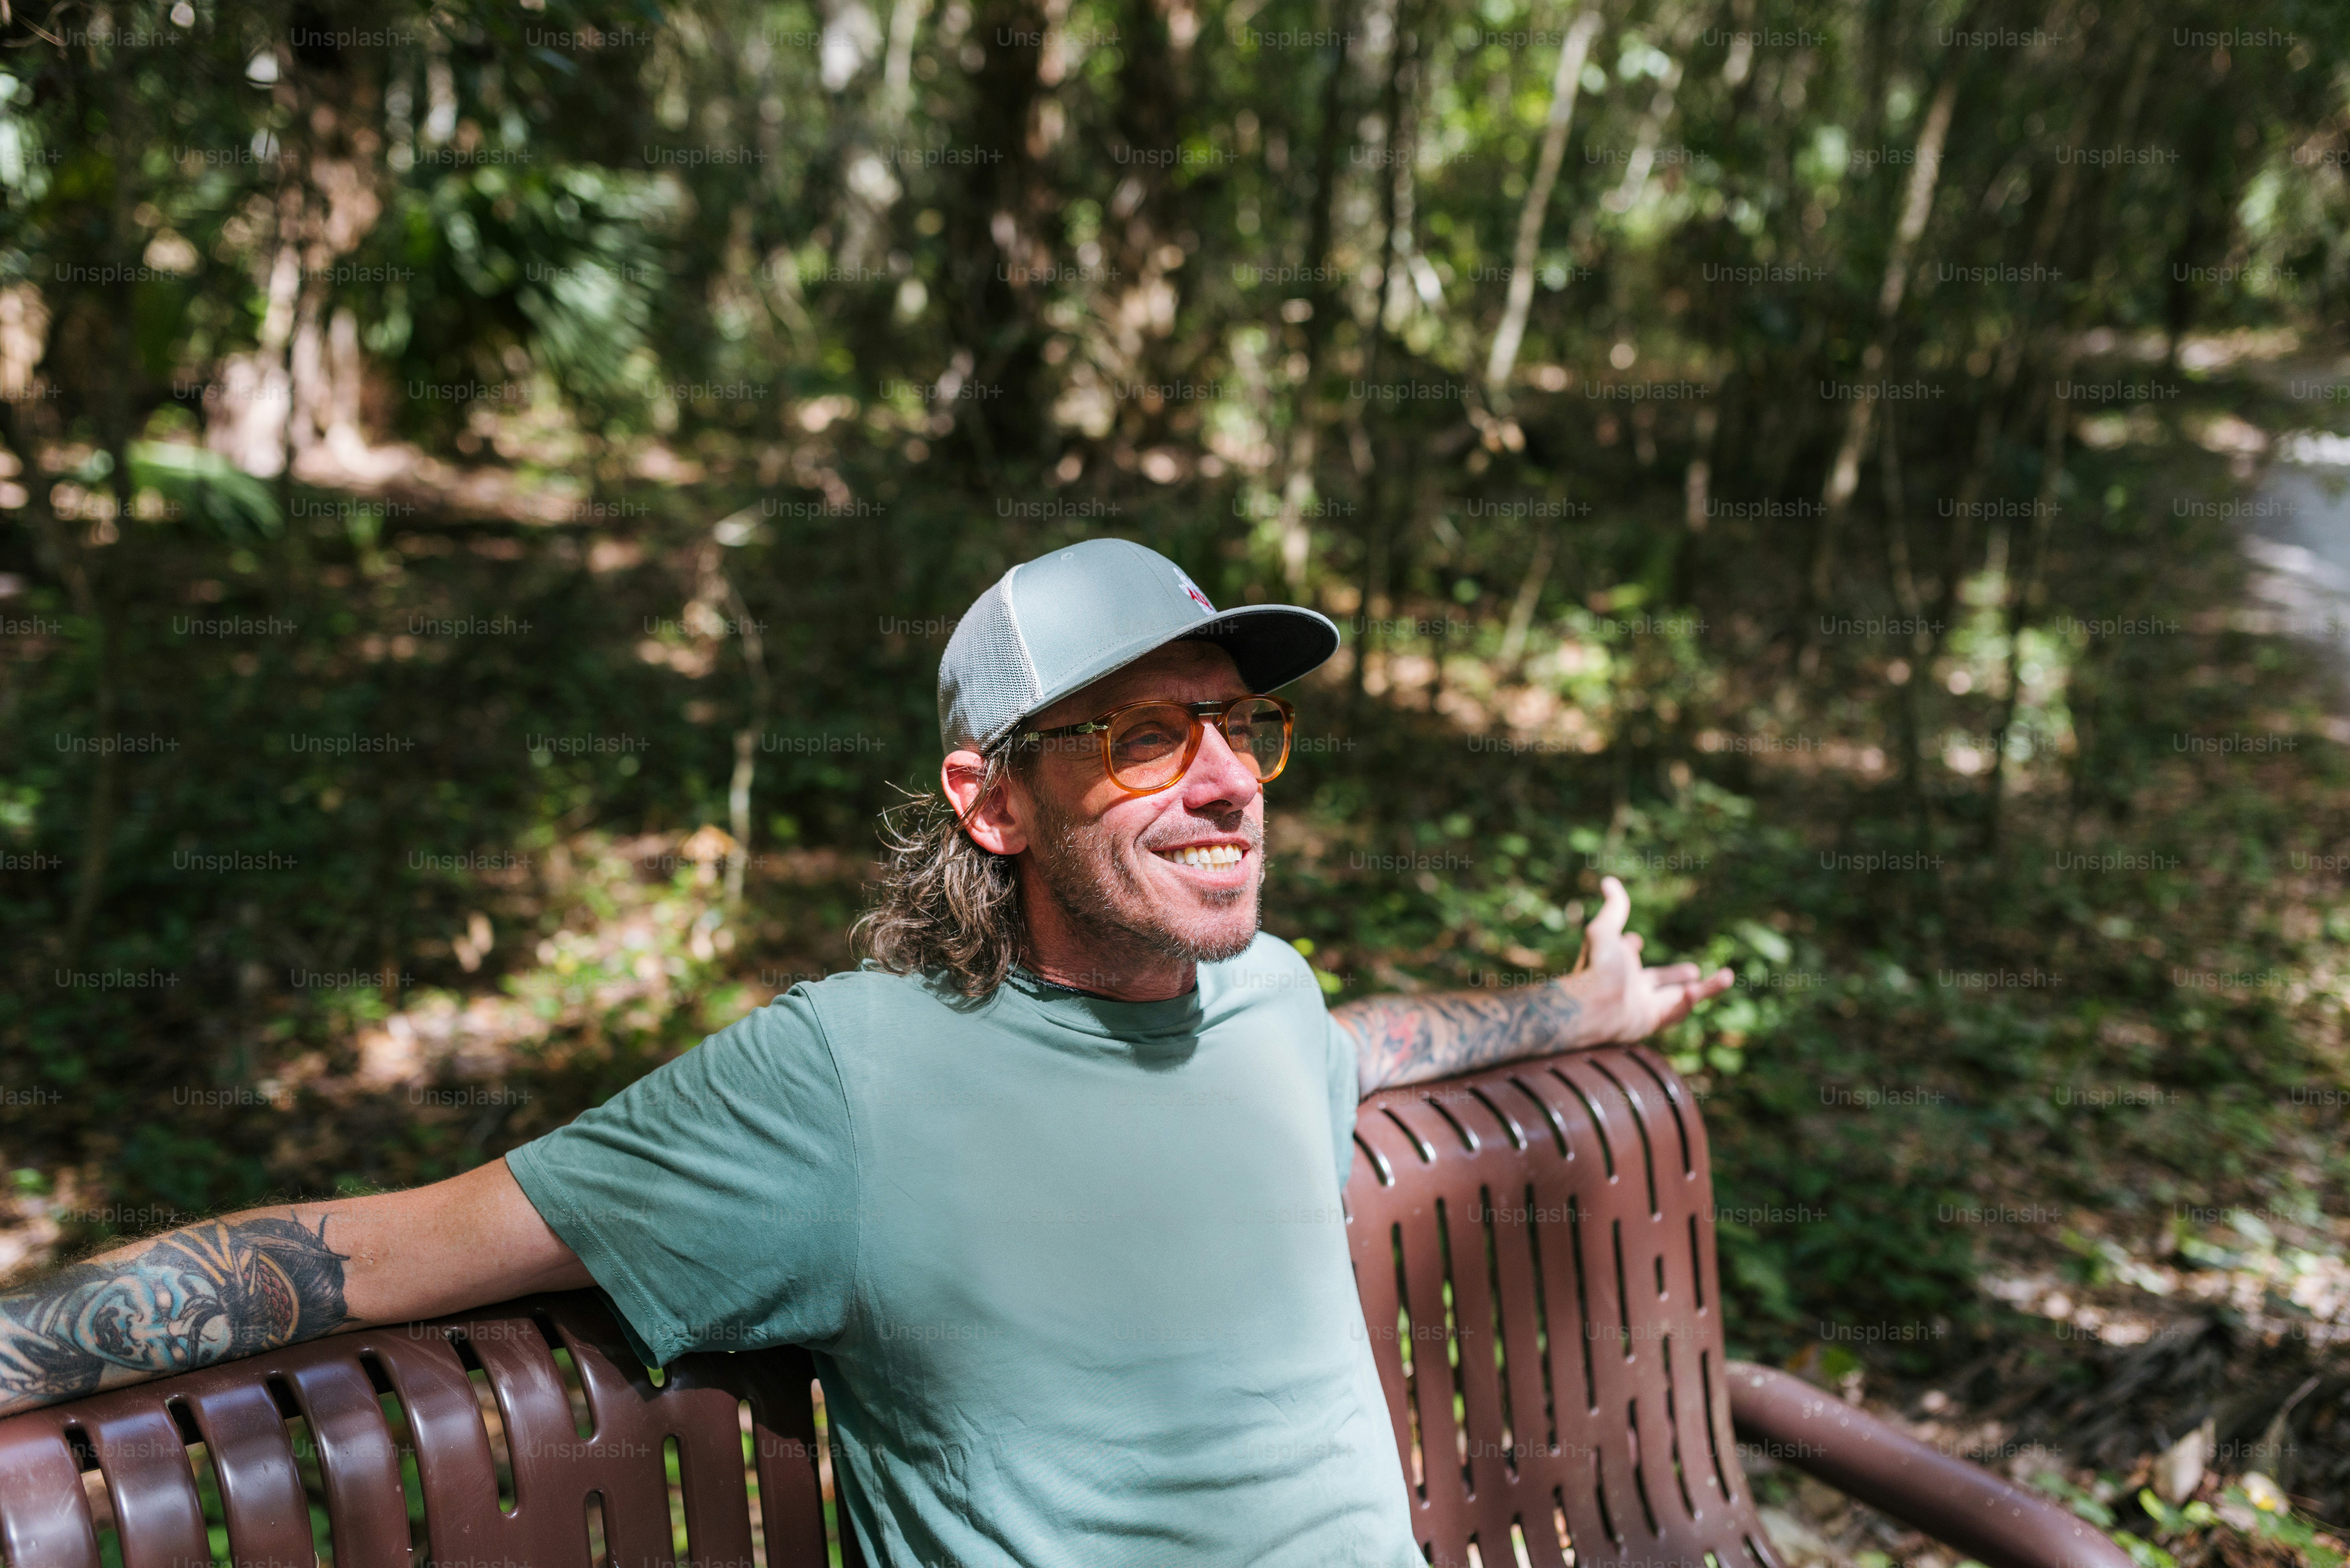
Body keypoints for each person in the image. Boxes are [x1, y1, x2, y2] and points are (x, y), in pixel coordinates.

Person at [0, 538, 1731, 1564]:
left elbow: (1373, 1044)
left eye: (1240, 728)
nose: (1226, 784)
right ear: (991, 798)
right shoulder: (843, 1086)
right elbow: (381, 1252)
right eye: (1144, 738)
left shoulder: (1266, 999)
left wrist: (1577, 1013)